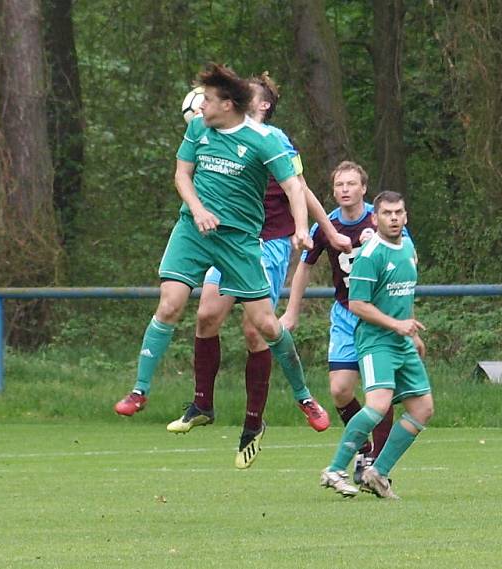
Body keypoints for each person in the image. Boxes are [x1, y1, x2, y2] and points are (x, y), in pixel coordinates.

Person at [113, 63, 323, 448]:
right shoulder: (198, 129)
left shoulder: (265, 140)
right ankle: (140, 391)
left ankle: (304, 396)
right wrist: (198, 209)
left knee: (265, 325)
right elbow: (181, 175)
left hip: (240, 241)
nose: (199, 107)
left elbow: (295, 187)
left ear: (228, 104)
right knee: (171, 304)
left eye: (207, 100)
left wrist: (299, 229)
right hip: (193, 231)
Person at [163, 73, 352, 469]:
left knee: (255, 329)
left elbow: (299, 188)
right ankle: (201, 404)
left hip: (267, 242)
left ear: (262, 105)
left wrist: (328, 231)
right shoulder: (218, 133)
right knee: (207, 314)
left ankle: (254, 424)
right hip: (226, 239)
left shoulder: (274, 140)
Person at [281, 161, 398, 484]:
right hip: (346, 316)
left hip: (379, 315)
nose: (344, 190)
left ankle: (378, 465)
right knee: (340, 390)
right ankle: (363, 448)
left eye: (351, 184)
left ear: (363, 188)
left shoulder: (382, 219)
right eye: (339, 185)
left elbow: (404, 260)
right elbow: (305, 267)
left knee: (380, 391)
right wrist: (292, 311)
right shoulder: (326, 225)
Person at [319, 191, 433, 499]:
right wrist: (397, 326)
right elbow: (357, 304)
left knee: (422, 409)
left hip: (401, 341)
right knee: (378, 406)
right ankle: (335, 469)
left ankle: (378, 473)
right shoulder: (371, 255)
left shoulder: (408, 248)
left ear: (406, 217)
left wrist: (412, 332)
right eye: (387, 213)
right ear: (375, 218)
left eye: (398, 213)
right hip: (375, 341)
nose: (393, 218)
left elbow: (404, 296)